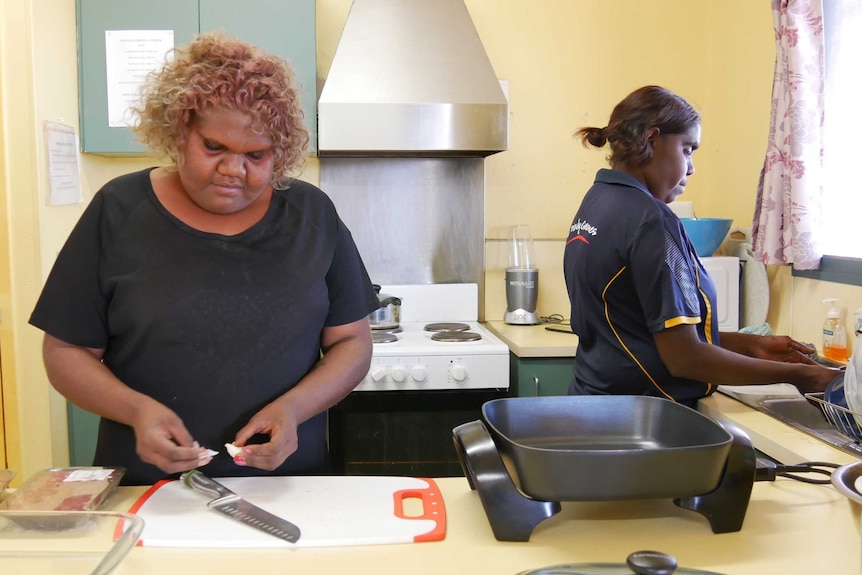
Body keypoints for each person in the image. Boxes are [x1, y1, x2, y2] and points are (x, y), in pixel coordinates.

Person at [29, 33, 379, 484]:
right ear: (178, 131)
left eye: (256, 155)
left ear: (281, 152)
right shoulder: (118, 210)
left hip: (288, 486)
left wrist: (294, 409)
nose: (234, 171)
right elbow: (66, 349)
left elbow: (352, 343)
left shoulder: (312, 215)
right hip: (148, 487)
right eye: (214, 148)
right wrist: (136, 411)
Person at [563, 85, 840, 407]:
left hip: (592, 405)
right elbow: (685, 359)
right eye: (688, 149)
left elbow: (638, 332)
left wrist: (752, 346)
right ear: (652, 139)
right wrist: (803, 376)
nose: (691, 167)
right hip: (640, 418)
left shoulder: (598, 202)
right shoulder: (652, 221)